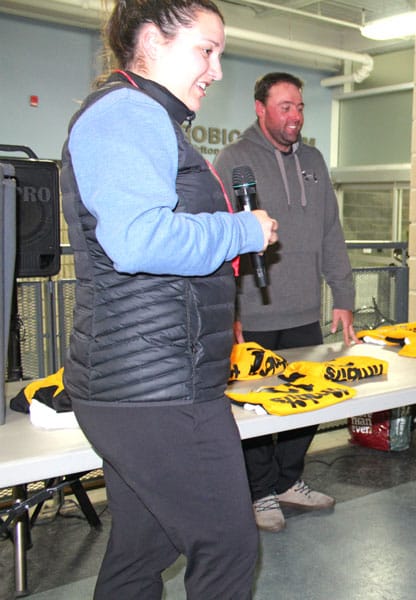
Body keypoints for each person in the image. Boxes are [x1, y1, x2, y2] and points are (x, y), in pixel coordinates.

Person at [60, 1, 278, 597]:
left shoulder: (138, 114)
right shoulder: (127, 113)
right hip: (157, 389)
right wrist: (243, 229)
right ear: (153, 40)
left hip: (140, 381)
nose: (216, 69)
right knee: (228, 548)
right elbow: (137, 240)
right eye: (205, 51)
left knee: (142, 549)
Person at [214, 72, 356, 532]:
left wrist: (344, 296)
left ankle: (288, 481)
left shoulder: (313, 160)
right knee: (255, 413)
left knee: (308, 404)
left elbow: (331, 233)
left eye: (299, 107)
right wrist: (229, 313)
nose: (294, 116)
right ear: (260, 108)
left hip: (303, 312)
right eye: (285, 107)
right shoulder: (233, 160)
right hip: (252, 316)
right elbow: (221, 243)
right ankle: (258, 493)